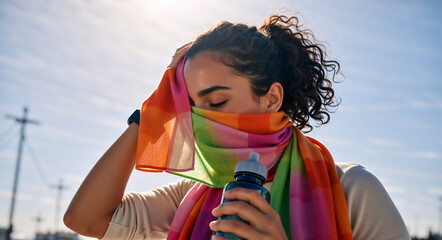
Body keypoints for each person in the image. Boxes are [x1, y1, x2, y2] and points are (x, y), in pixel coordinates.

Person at [63, 14, 410, 240]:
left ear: (272, 99)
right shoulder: (192, 195)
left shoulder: (352, 191)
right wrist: (154, 108)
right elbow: (87, 219)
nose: (201, 120)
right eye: (189, 107)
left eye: (216, 102)